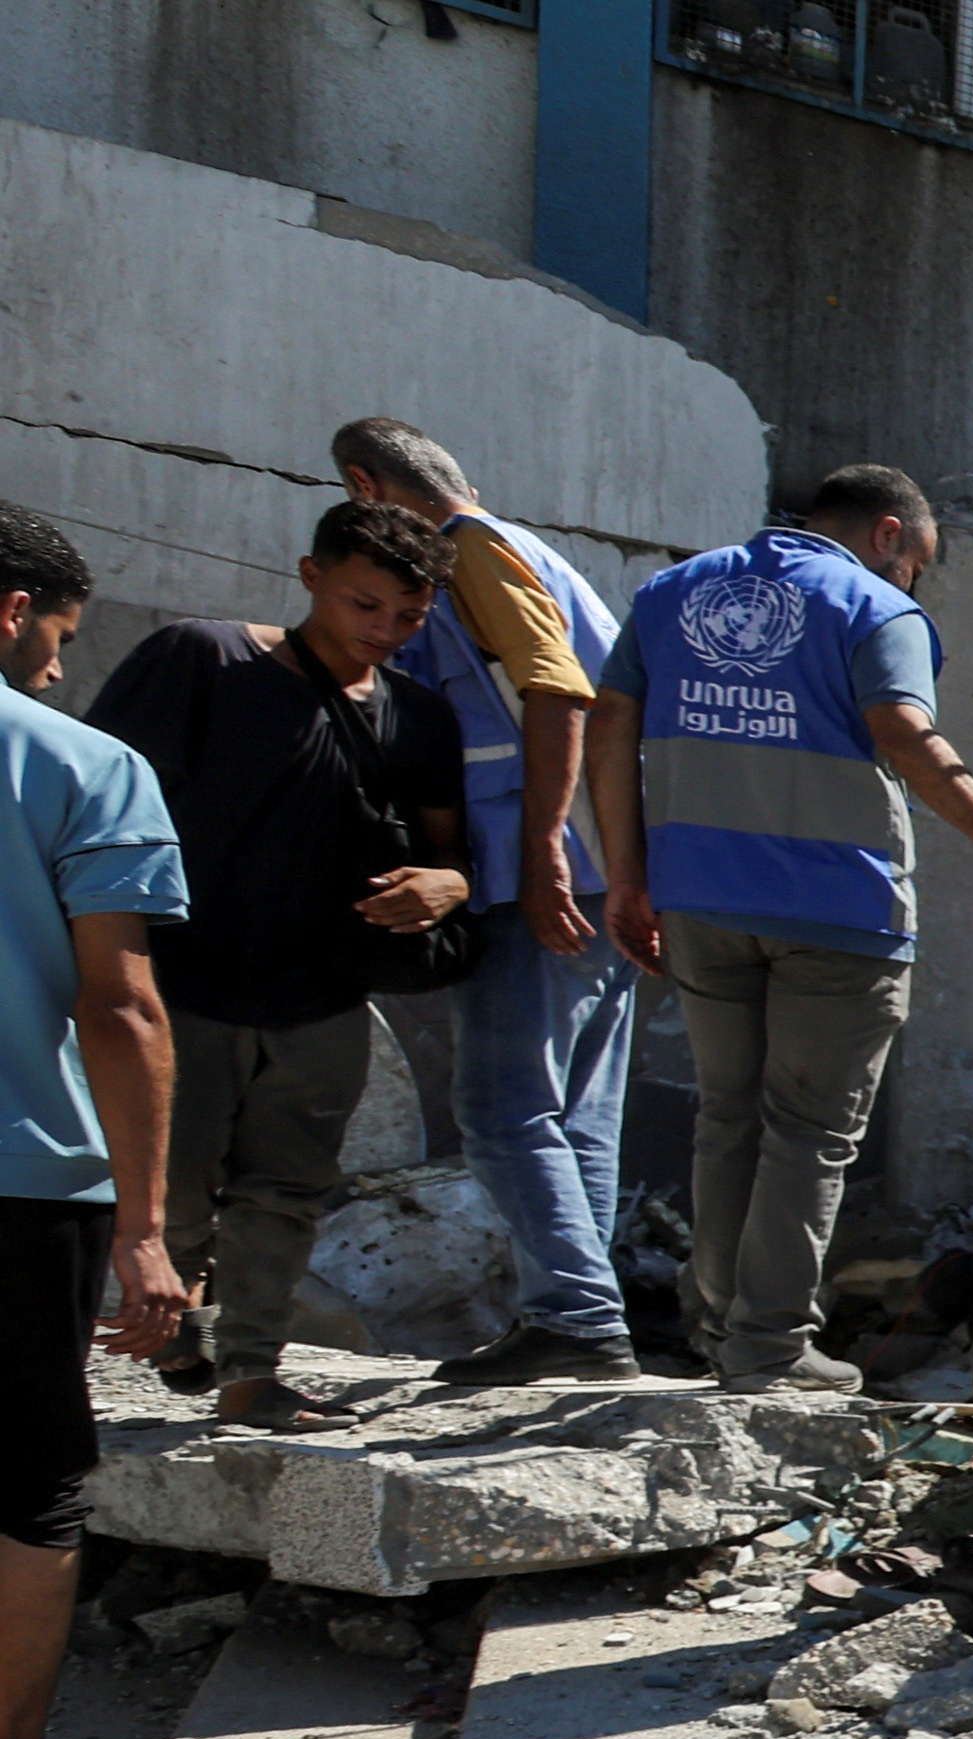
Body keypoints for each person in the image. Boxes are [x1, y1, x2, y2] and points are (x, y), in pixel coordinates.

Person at [589, 465, 973, 1396]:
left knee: (728, 1119)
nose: (912, 583)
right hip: (838, 913)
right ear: (888, 534)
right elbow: (907, 734)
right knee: (806, 1134)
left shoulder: (674, 592)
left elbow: (611, 726)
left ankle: (723, 1332)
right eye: (917, 563)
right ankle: (768, 1351)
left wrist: (627, 877)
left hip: (701, 900)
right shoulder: (875, 610)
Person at [84, 500, 468, 1430]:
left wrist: (443, 887)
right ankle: (146, 1337)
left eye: (407, 618)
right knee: (163, 1192)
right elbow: (96, 806)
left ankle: (250, 1377)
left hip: (323, 998)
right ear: (309, 579)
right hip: (184, 985)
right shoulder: (204, 662)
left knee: (286, 1196)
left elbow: (456, 854)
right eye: (363, 605)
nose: (383, 632)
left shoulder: (417, 717)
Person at [331, 417, 642, 1387]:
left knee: (503, 1107)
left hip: (535, 870)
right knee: (573, 1113)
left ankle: (579, 1319)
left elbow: (556, 693)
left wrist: (543, 850)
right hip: (598, 863)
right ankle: (585, 1317)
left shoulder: (472, 553)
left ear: (364, 487)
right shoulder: (532, 553)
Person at [0, 504, 197, 1739]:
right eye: (58, 637)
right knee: (26, 1483)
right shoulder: (81, 766)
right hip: (23, 1187)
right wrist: (146, 1223)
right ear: (11, 609)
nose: (63, 668)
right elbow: (118, 1007)